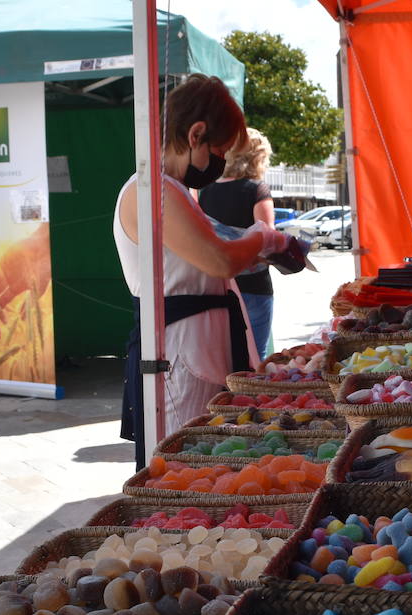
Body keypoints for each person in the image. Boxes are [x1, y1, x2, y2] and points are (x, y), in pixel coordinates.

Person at [113, 75, 289, 466]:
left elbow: (213, 261)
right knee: (185, 467)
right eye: (220, 150)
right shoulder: (152, 191)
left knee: (209, 461)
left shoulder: (175, 191)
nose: (221, 162)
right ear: (195, 135)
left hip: (198, 351)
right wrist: (262, 237)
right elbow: (220, 260)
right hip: (177, 356)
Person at [197, 127, 277, 359]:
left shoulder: (207, 191)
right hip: (254, 285)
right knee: (256, 356)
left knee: (226, 355)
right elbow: (268, 241)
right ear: (258, 157)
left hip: (220, 286)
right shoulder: (257, 189)